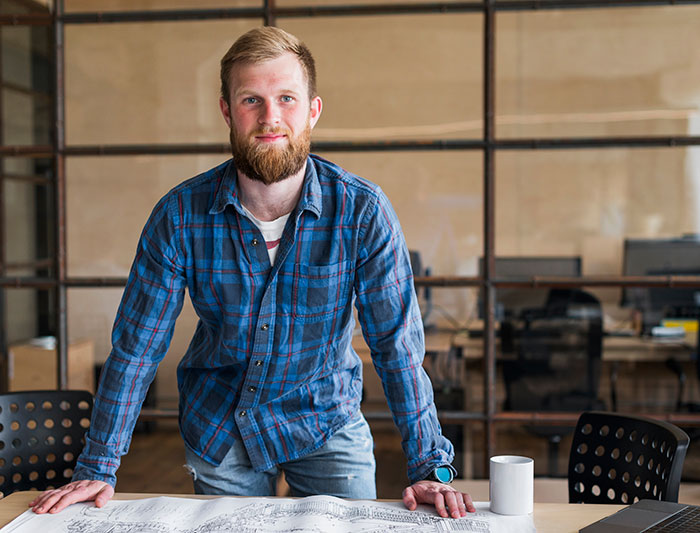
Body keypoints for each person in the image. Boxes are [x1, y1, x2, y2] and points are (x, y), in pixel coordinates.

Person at [30, 26, 475, 519]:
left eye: (286, 98)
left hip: (326, 418)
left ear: (313, 110)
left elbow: (397, 348)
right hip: (220, 423)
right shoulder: (178, 216)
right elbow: (137, 347)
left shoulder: (363, 213)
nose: (271, 118)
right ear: (226, 110)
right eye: (251, 100)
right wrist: (98, 465)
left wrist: (430, 465)